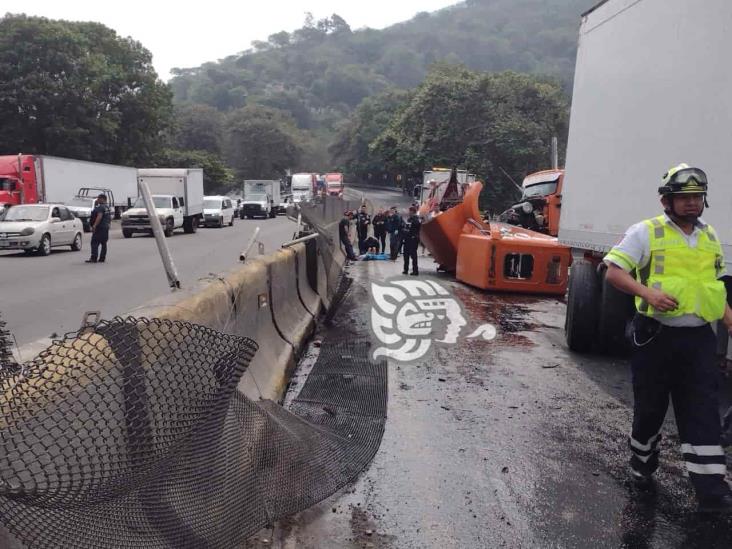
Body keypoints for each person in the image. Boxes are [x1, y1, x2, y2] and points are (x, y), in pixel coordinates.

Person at [604, 163, 732, 513]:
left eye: (697, 197)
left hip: (698, 340)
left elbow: (714, 289)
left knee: (702, 408)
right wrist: (647, 294)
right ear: (667, 201)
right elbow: (614, 272)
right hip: (656, 337)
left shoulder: (709, 236)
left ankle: (711, 488)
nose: (692, 204)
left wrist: (730, 322)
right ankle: (642, 463)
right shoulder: (646, 232)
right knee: (651, 409)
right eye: (684, 198)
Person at [86, 194, 111, 264]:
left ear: (103, 199)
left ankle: (94, 257)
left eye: (99, 198)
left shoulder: (101, 207)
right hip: (105, 228)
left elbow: (99, 217)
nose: (97, 200)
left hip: (100, 228)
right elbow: (109, 218)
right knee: (103, 243)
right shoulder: (107, 207)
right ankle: (102, 258)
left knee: (94, 242)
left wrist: (94, 225)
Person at [402, 205, 421, 276]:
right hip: (407, 239)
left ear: (412, 212)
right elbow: (407, 227)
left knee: (413, 255)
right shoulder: (409, 219)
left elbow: (415, 228)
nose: (408, 213)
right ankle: (405, 269)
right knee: (405, 254)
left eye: (410, 211)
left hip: (413, 239)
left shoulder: (416, 220)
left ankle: (415, 271)